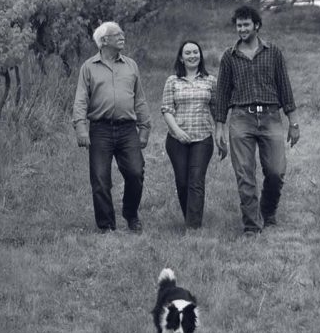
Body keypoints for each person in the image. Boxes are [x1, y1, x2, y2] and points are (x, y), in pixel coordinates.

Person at [211, 5, 301, 237]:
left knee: (276, 171)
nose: (241, 29)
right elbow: (221, 94)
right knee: (244, 173)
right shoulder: (229, 57)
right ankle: (252, 225)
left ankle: (268, 211)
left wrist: (293, 121)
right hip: (241, 118)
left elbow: (284, 87)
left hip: (271, 117)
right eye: (238, 25)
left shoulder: (273, 52)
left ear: (256, 26)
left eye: (246, 25)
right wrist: (219, 127)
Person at [72, 21, 152, 233]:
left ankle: (130, 214)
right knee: (100, 179)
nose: (122, 36)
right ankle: (107, 226)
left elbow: (140, 99)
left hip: (128, 129)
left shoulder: (131, 65)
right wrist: (81, 128)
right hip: (100, 129)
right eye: (117, 34)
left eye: (122, 33)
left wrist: (145, 128)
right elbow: (81, 100)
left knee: (136, 172)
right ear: (104, 40)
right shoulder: (88, 67)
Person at [160, 40, 220, 230]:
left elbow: (217, 111)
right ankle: (189, 217)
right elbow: (167, 109)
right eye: (188, 53)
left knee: (196, 180)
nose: (192, 55)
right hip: (177, 140)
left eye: (196, 52)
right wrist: (177, 132)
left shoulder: (210, 81)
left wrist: (220, 133)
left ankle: (193, 228)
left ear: (200, 56)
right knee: (183, 181)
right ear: (181, 57)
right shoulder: (172, 81)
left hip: (202, 139)